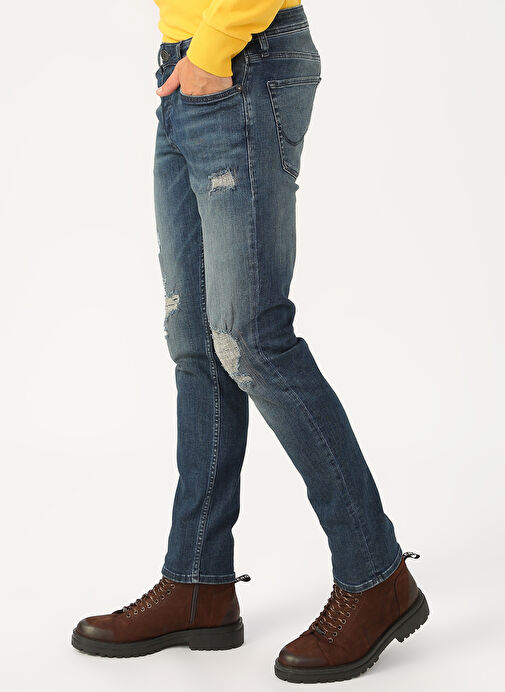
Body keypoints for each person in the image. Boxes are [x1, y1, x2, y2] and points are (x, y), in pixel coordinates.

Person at [71, 1, 429, 682]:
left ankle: (376, 576)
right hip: (187, 66)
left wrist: (214, 45)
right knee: (197, 343)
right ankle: (197, 583)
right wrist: (192, 53)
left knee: (251, 339)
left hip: (241, 56)